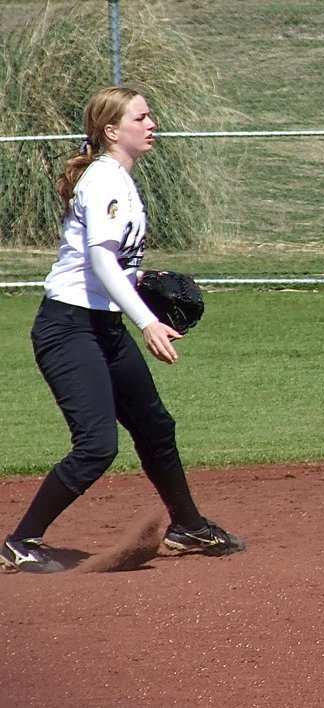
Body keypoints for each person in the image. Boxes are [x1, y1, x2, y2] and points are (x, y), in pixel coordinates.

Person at [0, 86, 245, 574]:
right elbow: (98, 259)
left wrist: (144, 281)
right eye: (141, 117)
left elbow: (112, 267)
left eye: (150, 115)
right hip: (69, 329)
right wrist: (148, 320)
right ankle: (21, 542)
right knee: (96, 446)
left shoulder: (121, 180)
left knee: (155, 426)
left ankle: (187, 525)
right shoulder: (106, 181)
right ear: (112, 130)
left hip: (102, 327)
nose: (151, 124)